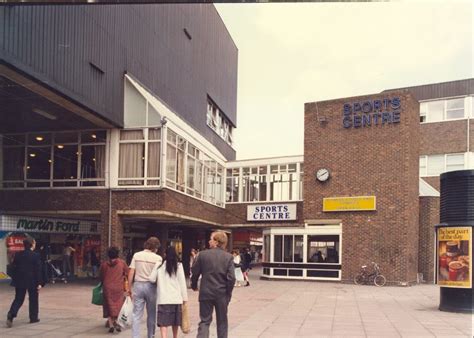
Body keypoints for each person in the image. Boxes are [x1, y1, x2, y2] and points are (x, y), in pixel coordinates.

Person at [191, 231, 235, 338]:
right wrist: (228, 292)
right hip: (221, 293)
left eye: (211, 239)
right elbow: (232, 278)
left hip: (206, 292)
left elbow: (195, 272)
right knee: (222, 321)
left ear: (216, 242)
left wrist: (194, 285)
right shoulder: (228, 257)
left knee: (205, 320)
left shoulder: (202, 255)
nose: (209, 241)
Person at [149, 246, 188, 338]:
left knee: (163, 322)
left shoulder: (159, 266)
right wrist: (185, 298)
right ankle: (175, 336)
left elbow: (151, 279)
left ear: (165, 254)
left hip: (163, 298)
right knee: (175, 321)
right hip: (176, 298)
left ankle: (164, 336)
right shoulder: (179, 266)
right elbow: (182, 283)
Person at [128, 237, 162, 338]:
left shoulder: (136, 255)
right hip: (151, 286)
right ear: (155, 247)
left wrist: (129, 287)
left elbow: (131, 272)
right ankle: (150, 335)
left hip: (138, 285)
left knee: (136, 314)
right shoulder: (158, 258)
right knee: (151, 313)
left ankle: (135, 336)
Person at [6, 238, 44, 327]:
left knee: (18, 298)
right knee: (33, 299)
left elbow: (14, 267)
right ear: (32, 244)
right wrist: (39, 283)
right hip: (32, 280)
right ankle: (33, 317)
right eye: (34, 243)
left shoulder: (18, 255)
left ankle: (11, 314)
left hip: (20, 280)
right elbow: (38, 270)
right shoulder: (36, 255)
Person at [100, 246, 129, 333]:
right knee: (118, 305)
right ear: (117, 254)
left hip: (107, 287)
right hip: (118, 287)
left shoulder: (104, 264)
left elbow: (101, 276)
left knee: (108, 305)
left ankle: (111, 324)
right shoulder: (122, 263)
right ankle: (117, 322)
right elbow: (127, 272)